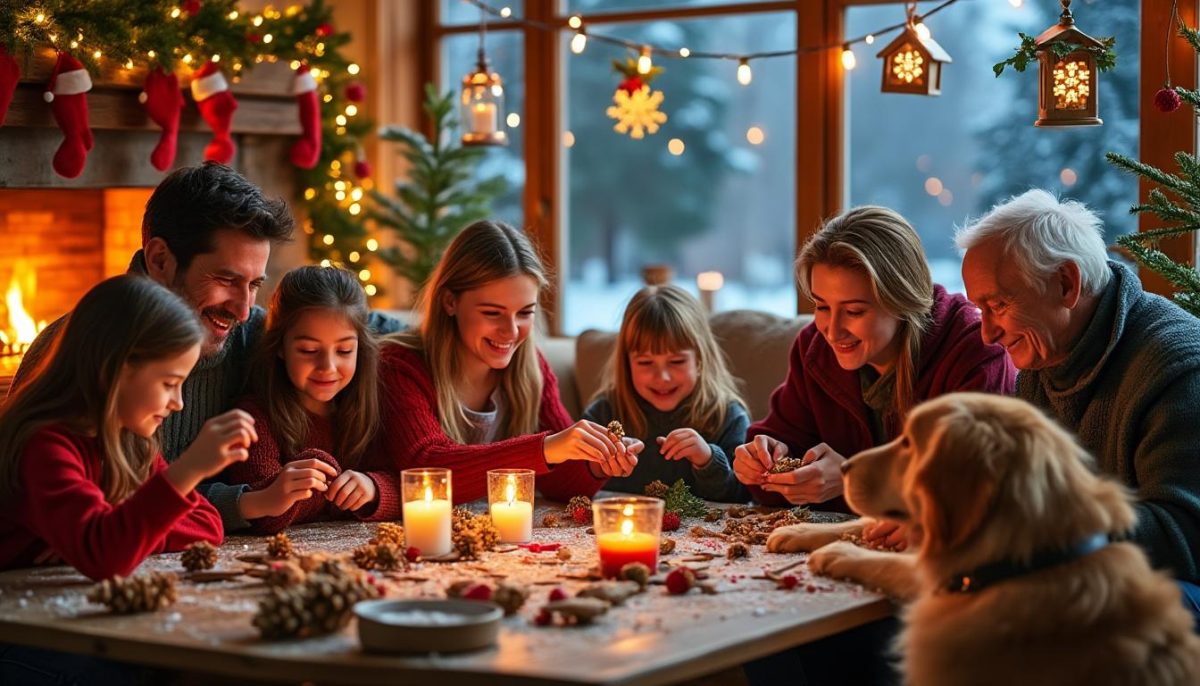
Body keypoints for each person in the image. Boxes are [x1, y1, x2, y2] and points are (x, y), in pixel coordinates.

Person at [10, 162, 400, 532]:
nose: (244, 310)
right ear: (160, 259)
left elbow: (359, 325)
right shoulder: (81, 350)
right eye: (226, 279)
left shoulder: (263, 337)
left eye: (254, 285)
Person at [958, 188, 1200, 618]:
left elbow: (1183, 537)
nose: (988, 334)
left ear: (1067, 284)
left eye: (997, 305)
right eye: (981, 310)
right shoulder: (1043, 359)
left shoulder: (1178, 366)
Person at [732, 206, 1015, 537]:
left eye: (853, 311)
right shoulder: (815, 349)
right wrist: (762, 466)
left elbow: (976, 491)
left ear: (902, 300)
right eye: (822, 306)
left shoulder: (975, 350)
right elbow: (780, 451)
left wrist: (851, 479)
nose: (832, 331)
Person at [0, 275, 255, 580]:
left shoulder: (131, 442)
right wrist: (189, 469)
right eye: (169, 384)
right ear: (112, 371)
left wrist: (120, 534)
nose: (178, 403)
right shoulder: (45, 447)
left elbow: (208, 524)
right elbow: (106, 559)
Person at [378, 220, 641, 503]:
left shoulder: (531, 368)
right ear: (449, 302)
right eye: (492, 313)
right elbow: (426, 467)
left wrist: (595, 462)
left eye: (525, 312)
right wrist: (546, 448)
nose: (512, 331)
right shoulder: (399, 366)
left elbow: (560, 482)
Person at [224, 266, 400, 534]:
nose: (327, 366)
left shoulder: (372, 406)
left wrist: (375, 488)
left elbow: (412, 485)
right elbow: (265, 514)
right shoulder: (254, 418)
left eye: (344, 350)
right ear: (281, 347)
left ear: (360, 350)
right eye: (308, 350)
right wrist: (311, 479)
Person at [581, 285, 750, 502]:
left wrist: (707, 460)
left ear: (700, 359)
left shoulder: (728, 417)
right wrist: (597, 467)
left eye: (677, 361)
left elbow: (742, 498)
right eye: (645, 362)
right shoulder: (603, 413)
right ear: (627, 363)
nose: (663, 377)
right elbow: (572, 485)